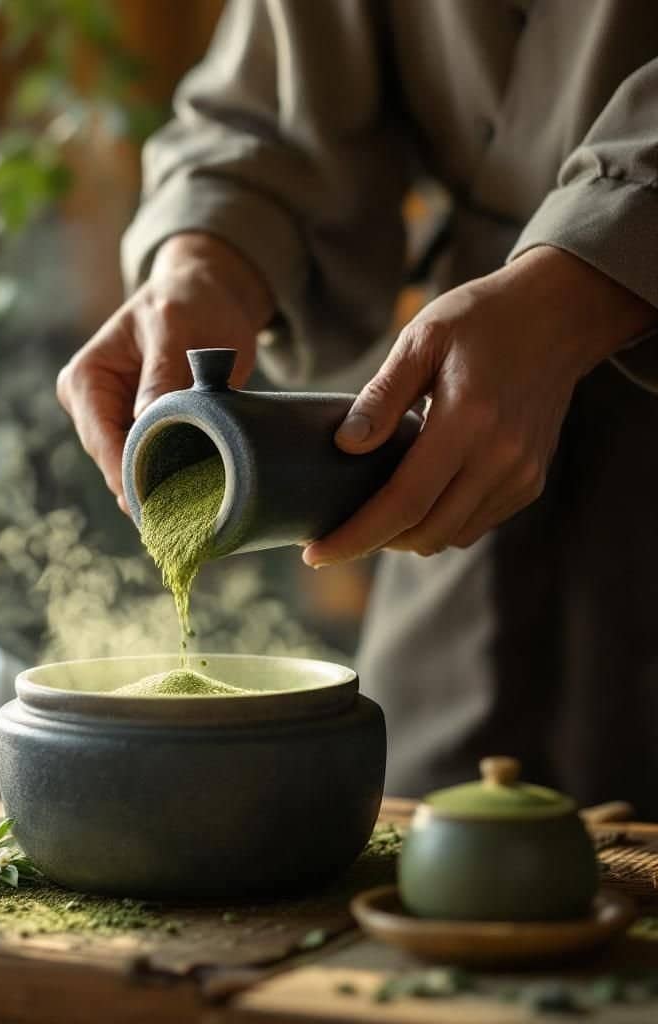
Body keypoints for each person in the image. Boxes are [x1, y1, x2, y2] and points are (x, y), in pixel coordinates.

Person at [56, 1, 658, 816]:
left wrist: (577, 282)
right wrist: (206, 262)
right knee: (417, 829)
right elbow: (274, 99)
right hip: (460, 422)